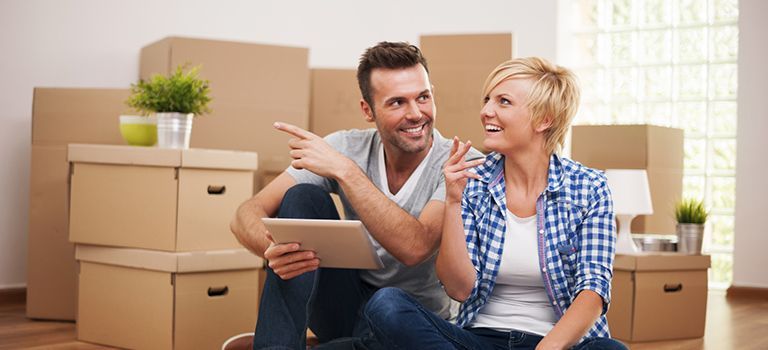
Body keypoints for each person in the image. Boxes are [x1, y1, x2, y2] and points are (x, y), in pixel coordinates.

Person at [228, 41, 482, 350]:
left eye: (423, 97)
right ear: (367, 110)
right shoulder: (347, 147)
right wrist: (277, 250)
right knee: (302, 197)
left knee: (383, 319)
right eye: (397, 102)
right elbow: (247, 213)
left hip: (409, 322)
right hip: (344, 308)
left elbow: (417, 246)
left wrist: (345, 172)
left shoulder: (459, 163)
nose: (416, 114)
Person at [364, 57, 627, 350]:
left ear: (544, 119)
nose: (486, 111)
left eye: (503, 102)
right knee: (387, 305)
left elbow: (593, 291)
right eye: (487, 100)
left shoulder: (589, 187)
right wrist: (452, 200)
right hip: (479, 340)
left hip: (557, 343)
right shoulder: (474, 179)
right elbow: (459, 289)